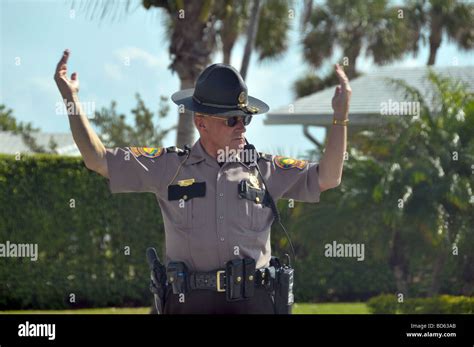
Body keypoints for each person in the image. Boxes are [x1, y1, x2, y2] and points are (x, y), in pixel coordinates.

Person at [54, 49, 351, 314]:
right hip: (188, 303)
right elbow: (98, 159)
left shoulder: (265, 169)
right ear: (201, 122)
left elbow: (328, 177)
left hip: (253, 303)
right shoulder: (168, 166)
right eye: (231, 119)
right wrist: (71, 100)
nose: (241, 127)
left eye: (244, 119)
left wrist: (340, 118)